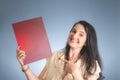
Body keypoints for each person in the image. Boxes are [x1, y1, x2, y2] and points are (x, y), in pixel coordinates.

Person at [16, 20, 103, 80]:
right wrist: (25, 66)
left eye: (81, 34)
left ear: (86, 42)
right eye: (73, 31)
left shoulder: (92, 65)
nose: (75, 35)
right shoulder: (54, 56)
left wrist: (75, 72)